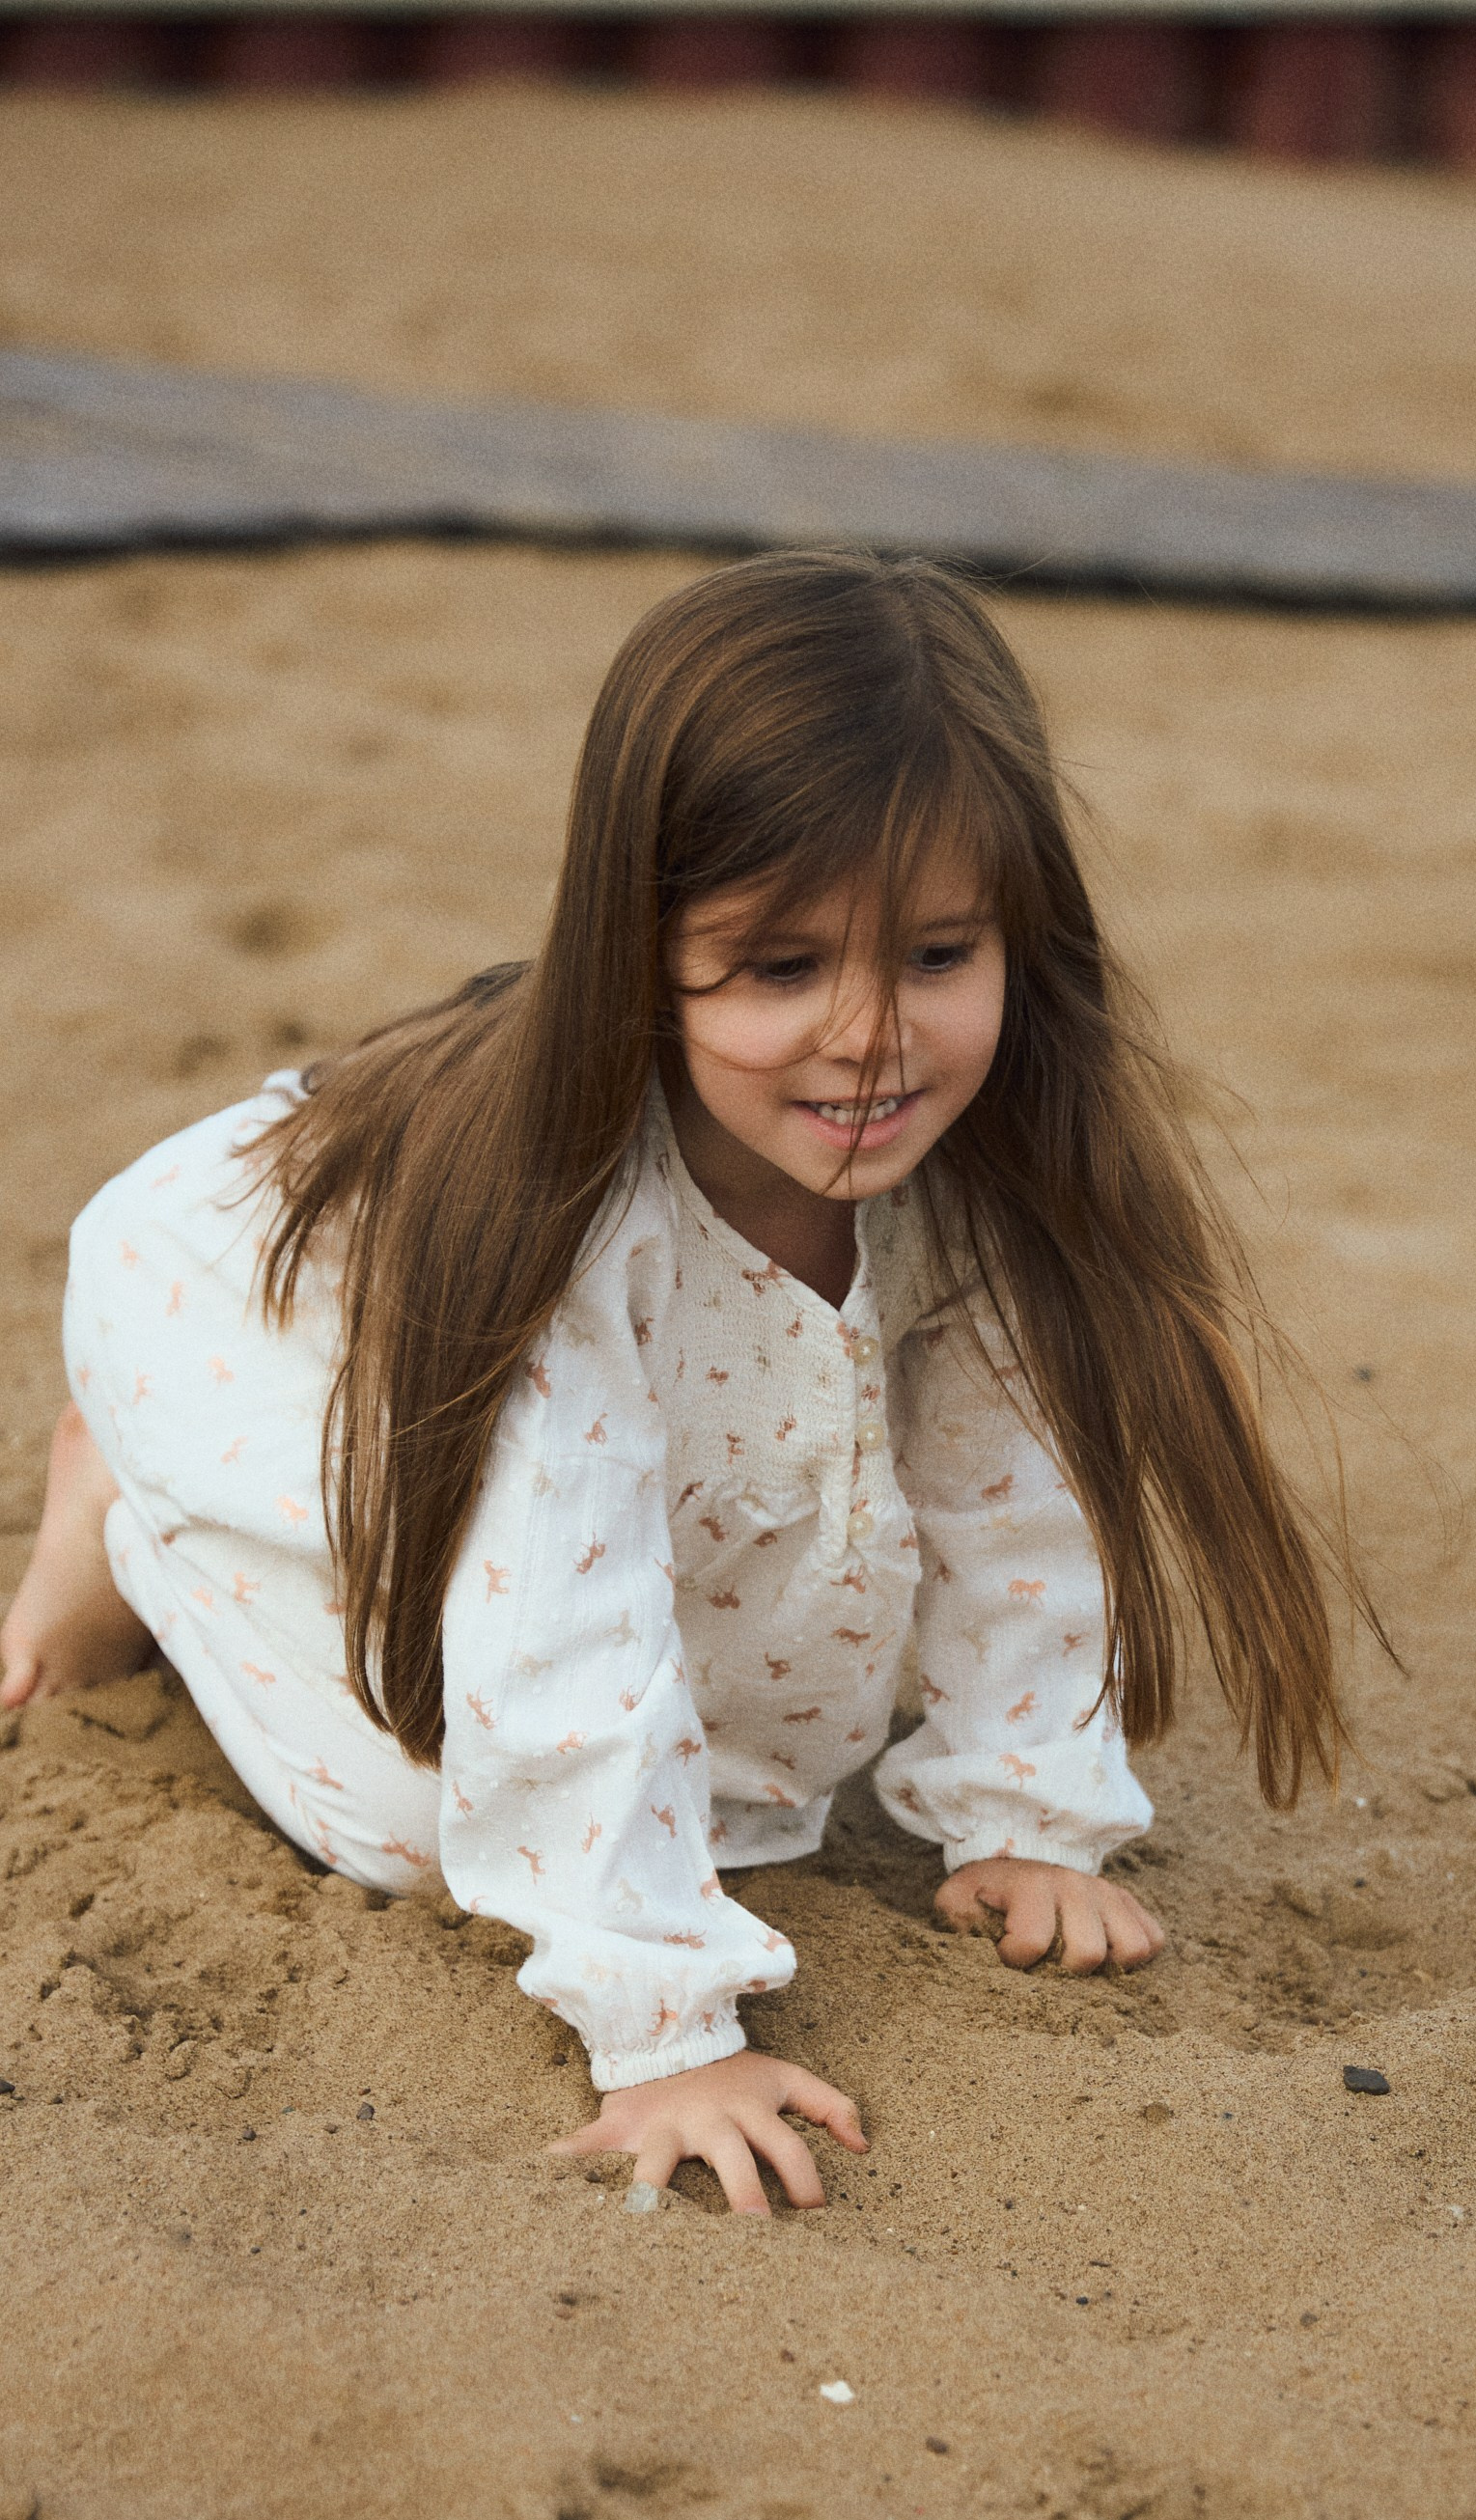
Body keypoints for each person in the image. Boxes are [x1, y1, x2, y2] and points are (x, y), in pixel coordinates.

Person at [0, 550, 1359, 2215]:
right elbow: (556, 1629)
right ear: (639, 951)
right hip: (263, 1312)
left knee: (730, 1738)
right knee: (422, 1819)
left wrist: (1024, 1815)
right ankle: (133, 1514)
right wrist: (666, 2031)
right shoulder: (570, 1227)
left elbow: (1022, 1498)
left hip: (479, 1351)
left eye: (938, 956)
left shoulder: (985, 1170)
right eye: (780, 969)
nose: (870, 1037)